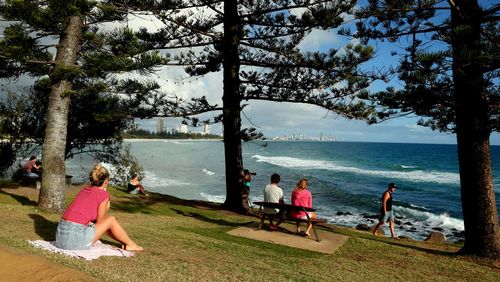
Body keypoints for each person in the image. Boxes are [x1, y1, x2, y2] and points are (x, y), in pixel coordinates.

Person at [55, 164, 143, 251]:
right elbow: (100, 222)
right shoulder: (103, 195)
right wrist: (106, 208)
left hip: (60, 237)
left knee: (107, 222)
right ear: (106, 181)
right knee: (111, 220)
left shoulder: (84, 190)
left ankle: (127, 243)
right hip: (74, 241)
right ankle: (131, 244)